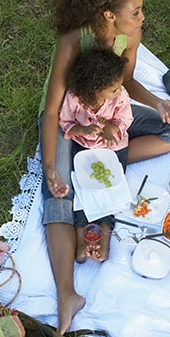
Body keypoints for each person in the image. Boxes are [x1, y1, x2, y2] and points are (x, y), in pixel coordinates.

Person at [39, 0, 170, 334]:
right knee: (58, 196)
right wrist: (50, 165)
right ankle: (66, 294)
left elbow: (129, 82)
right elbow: (54, 110)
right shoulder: (75, 39)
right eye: (135, 11)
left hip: (110, 116)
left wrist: (157, 103)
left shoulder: (131, 33)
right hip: (70, 119)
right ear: (108, 15)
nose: (142, 17)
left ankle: (101, 158)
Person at [59, 49, 133, 263]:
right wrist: (81, 130)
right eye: (113, 89)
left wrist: (112, 126)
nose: (118, 91)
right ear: (94, 89)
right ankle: (82, 236)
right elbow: (65, 122)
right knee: (84, 190)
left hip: (114, 146)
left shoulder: (120, 96)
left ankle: (106, 235)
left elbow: (125, 117)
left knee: (111, 187)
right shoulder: (74, 98)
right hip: (84, 148)